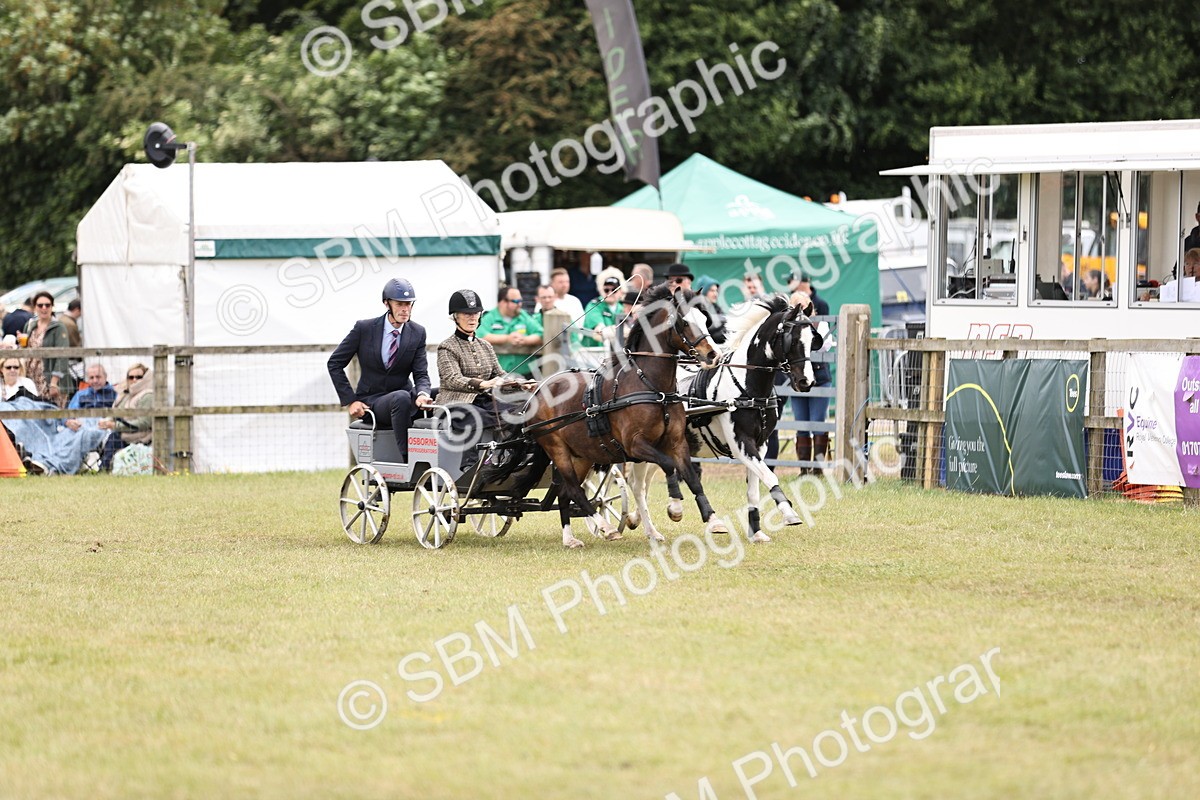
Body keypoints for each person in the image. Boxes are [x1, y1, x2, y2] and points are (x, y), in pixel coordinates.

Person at [327, 278, 433, 463]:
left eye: (408, 304)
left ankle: (446, 454)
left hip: (404, 398)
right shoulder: (364, 328)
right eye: (400, 304)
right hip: (373, 402)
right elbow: (334, 363)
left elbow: (421, 373)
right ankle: (409, 459)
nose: (405, 309)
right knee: (400, 397)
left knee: (440, 394)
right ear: (387, 303)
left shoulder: (418, 332)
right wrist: (350, 400)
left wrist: (423, 393)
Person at [436, 290, 532, 472]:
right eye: (466, 314)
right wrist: (483, 384)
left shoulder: (485, 345)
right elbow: (452, 379)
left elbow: (500, 373)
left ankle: (512, 457)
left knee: (521, 409)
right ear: (455, 317)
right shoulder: (446, 347)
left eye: (475, 313)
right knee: (476, 416)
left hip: (484, 401)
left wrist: (521, 384)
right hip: (456, 403)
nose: (472, 318)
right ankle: (469, 466)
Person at [787, 291, 833, 472]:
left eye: (803, 306)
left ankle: (819, 468)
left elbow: (824, 344)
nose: (801, 310)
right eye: (796, 306)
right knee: (801, 424)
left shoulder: (820, 324)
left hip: (819, 378)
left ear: (810, 307)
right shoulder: (788, 327)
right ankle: (804, 468)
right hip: (798, 380)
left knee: (817, 423)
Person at [97, 364, 154, 470]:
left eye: (138, 377)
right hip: (118, 430)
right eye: (131, 377)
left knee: (113, 438)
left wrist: (116, 425)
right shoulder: (125, 394)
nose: (134, 380)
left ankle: (104, 469)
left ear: (145, 378)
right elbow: (114, 413)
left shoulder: (147, 396)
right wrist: (108, 422)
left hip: (138, 435)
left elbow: (144, 423)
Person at [21, 290, 74, 406]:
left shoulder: (59, 327)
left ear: (52, 306)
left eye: (47, 305)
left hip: (51, 379)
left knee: (54, 416)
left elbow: (62, 355)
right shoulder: (30, 325)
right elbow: (25, 348)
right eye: (40, 305)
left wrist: (54, 383)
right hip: (31, 378)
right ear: (35, 307)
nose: (44, 308)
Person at [479, 285, 543, 378]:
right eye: (515, 301)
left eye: (520, 301)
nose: (519, 304)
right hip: (498, 376)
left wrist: (525, 340)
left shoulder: (523, 316)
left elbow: (541, 334)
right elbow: (480, 335)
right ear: (502, 302)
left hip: (525, 375)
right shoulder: (490, 317)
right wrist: (506, 339)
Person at [581, 270, 624, 346]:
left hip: (615, 352)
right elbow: (599, 328)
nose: (609, 293)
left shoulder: (622, 308)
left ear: (621, 292)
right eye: (606, 290)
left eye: (614, 290)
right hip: (594, 352)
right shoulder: (594, 305)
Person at [692, 275, 727, 344]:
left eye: (716, 290)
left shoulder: (716, 307)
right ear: (703, 292)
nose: (715, 294)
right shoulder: (697, 308)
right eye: (712, 290)